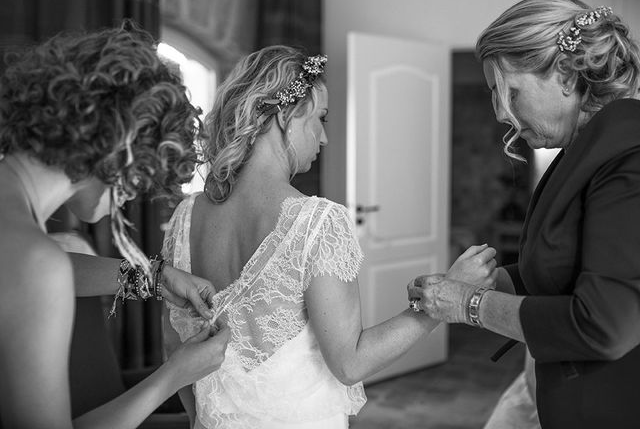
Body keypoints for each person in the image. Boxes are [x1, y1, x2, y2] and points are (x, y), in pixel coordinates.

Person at [161, 45, 497, 428]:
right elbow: (351, 363)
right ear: (286, 116)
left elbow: (174, 348)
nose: (323, 138)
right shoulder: (317, 223)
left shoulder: (186, 217)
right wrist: (442, 299)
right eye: (320, 118)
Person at [407, 0, 640, 429]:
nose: (501, 114)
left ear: (567, 75)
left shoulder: (629, 154)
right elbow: (567, 262)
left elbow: (603, 325)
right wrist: (494, 280)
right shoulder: (581, 151)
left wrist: (471, 304)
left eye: (510, 91)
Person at [0, 22, 230, 429]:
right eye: (143, 173)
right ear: (119, 147)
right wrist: (173, 375)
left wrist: (153, 279)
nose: (132, 195)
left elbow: (41, 273)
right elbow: (40, 272)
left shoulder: (15, 224)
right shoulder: (33, 261)